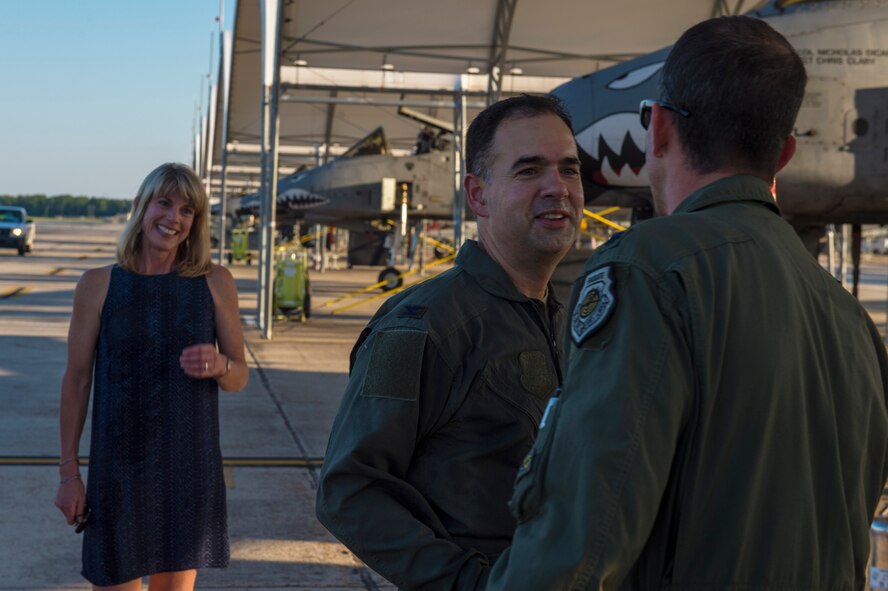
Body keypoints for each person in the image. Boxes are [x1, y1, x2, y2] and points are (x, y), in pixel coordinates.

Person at [487, 16, 888, 591]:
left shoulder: (648, 271)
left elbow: (580, 537)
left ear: (660, 129)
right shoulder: (851, 322)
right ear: (785, 153)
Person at [316, 94, 584, 589]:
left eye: (569, 170)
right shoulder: (425, 325)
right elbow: (348, 489)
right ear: (477, 196)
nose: (558, 188)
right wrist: (468, 584)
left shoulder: (565, 320)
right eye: (529, 171)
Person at [54, 163, 249, 590]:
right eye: (164, 203)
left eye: (187, 210)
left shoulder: (215, 282)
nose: (173, 218)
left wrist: (221, 366)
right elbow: (77, 381)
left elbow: (239, 378)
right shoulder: (98, 284)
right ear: (142, 206)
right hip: (118, 472)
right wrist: (69, 475)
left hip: (188, 472)